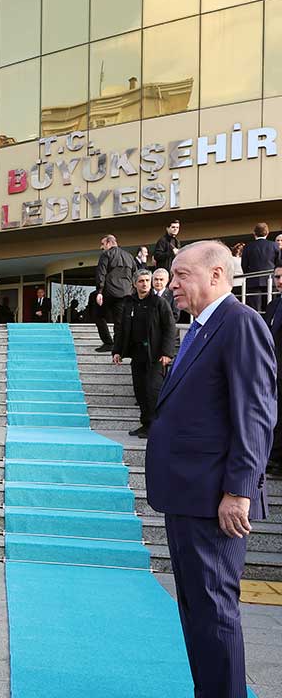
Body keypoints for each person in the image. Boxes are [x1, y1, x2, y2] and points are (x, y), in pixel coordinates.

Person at [148, 240, 274, 698]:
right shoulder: (200, 328)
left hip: (215, 501)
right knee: (198, 614)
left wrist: (239, 490)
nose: (172, 283)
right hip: (187, 496)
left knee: (216, 614)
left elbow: (256, 414)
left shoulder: (240, 324)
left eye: (181, 274)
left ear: (217, 274)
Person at [111, 270, 176, 438]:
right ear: (134, 284)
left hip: (155, 356)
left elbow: (170, 327)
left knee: (152, 391)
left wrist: (167, 353)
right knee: (140, 391)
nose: (145, 283)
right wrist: (117, 351)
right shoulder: (129, 303)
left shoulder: (159, 303)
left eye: (148, 280)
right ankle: (146, 424)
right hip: (137, 354)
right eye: (141, 281)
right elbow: (121, 329)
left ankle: (157, 426)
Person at [94, 234, 138, 352]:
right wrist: (133, 291)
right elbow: (136, 275)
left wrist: (99, 292)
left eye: (103, 244)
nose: (101, 247)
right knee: (119, 321)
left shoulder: (106, 255)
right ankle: (118, 347)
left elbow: (101, 274)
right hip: (126, 293)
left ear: (109, 243)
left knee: (98, 315)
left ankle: (108, 343)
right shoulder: (129, 256)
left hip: (109, 292)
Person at [265, 265, 282, 477]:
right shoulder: (272, 305)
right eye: (277, 277)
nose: (279, 280)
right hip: (273, 370)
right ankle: (274, 457)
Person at [242, 223, 278, 312]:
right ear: (267, 233)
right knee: (271, 309)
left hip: (253, 281)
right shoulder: (274, 245)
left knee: (255, 311)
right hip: (271, 281)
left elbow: (244, 265)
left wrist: (249, 275)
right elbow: (278, 263)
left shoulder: (248, 246)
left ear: (254, 233)